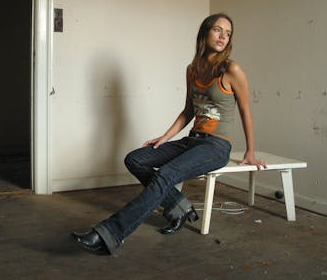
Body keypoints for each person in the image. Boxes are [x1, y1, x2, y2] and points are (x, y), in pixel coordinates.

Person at [72, 13, 267, 255]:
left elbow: (246, 110)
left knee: (165, 175)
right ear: (205, 33)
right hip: (193, 140)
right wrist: (164, 137)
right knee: (135, 158)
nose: (223, 37)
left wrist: (250, 151)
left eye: (228, 34)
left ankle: (110, 233)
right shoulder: (192, 69)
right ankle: (178, 207)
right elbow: (188, 111)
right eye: (218, 30)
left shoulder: (231, 70)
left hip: (216, 146)